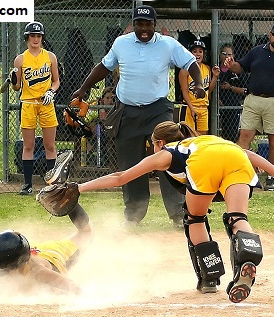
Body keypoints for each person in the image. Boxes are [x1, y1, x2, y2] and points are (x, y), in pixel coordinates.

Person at [74, 121, 274, 303]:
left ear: (160, 142)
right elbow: (246, 153)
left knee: (195, 219)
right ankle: (248, 258)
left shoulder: (169, 152)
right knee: (238, 218)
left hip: (205, 165)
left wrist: (79, 187)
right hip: (235, 158)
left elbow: (120, 177)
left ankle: (210, 278)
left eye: (153, 144)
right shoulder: (204, 140)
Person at [72, 5, 206, 227]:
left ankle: (177, 214)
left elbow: (190, 63)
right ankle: (133, 214)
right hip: (129, 110)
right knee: (131, 163)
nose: (143, 28)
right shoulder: (121, 43)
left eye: (148, 24)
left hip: (158, 110)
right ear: (133, 24)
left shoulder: (168, 44)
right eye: (139, 24)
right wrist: (84, 88)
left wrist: (199, 83)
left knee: (169, 158)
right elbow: (104, 67)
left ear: (155, 25)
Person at [225, 22, 274, 191]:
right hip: (253, 99)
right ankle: (240, 173)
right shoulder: (257, 51)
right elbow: (241, 67)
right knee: (244, 136)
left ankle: (272, 177)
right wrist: (232, 65)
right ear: (270, 34)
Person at [10, 21, 62, 195]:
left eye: (38, 36)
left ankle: (52, 183)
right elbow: (17, 88)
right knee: (28, 145)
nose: (35, 39)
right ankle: (27, 184)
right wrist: (14, 79)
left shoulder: (50, 57)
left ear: (42, 38)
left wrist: (51, 92)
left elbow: (56, 81)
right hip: (29, 104)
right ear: (27, 37)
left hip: (46, 103)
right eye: (32, 35)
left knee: (50, 145)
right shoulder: (21, 59)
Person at [178, 40, 220, 135]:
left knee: (202, 136)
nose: (198, 54)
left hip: (203, 107)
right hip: (189, 107)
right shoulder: (185, 70)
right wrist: (192, 108)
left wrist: (214, 77)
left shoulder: (207, 68)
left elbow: (208, 90)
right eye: (195, 51)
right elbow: (184, 92)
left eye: (200, 51)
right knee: (188, 136)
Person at [218, 43, 247, 142]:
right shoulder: (216, 69)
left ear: (233, 56)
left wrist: (230, 87)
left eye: (229, 54)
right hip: (218, 108)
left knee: (230, 136)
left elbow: (245, 90)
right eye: (224, 54)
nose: (226, 56)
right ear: (220, 55)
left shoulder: (238, 70)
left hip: (233, 107)